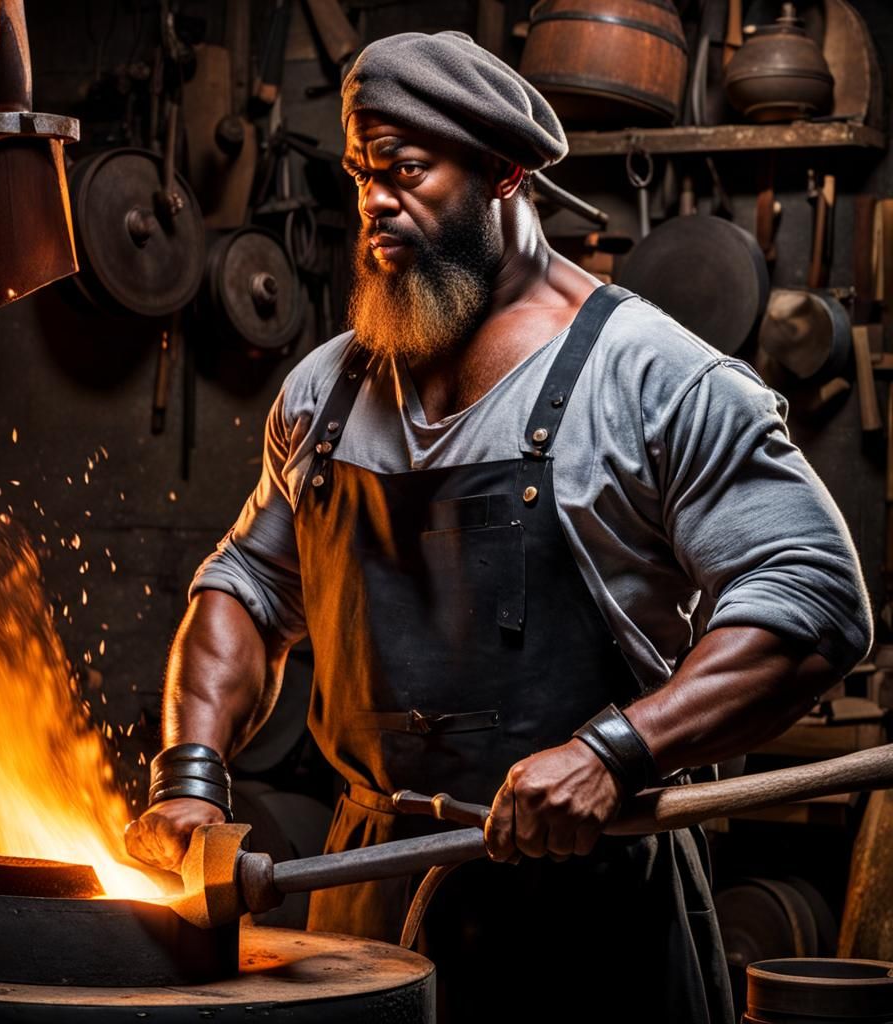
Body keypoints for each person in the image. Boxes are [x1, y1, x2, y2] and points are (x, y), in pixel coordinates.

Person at [125, 31, 872, 1022]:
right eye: (360, 175)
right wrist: (193, 775)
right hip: (359, 902)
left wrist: (616, 750)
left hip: (589, 916)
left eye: (406, 171)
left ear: (505, 171)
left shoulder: (654, 379)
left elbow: (811, 603)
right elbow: (248, 591)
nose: (373, 205)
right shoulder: (328, 390)